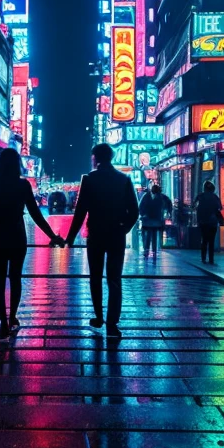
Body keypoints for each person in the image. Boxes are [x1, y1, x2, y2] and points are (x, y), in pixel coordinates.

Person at [0, 147, 63, 342]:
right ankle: (12, 316)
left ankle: (2, 322)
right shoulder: (23, 186)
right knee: (15, 277)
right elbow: (36, 214)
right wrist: (52, 236)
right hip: (16, 235)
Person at [66, 143, 140, 339]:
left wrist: (70, 238)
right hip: (116, 234)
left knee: (95, 277)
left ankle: (98, 316)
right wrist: (124, 228)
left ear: (95, 158)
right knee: (115, 279)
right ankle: (112, 322)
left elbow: (81, 211)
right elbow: (134, 211)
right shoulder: (124, 179)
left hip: (96, 234)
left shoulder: (89, 179)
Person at [194, 180, 223, 265]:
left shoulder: (200, 196)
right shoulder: (215, 197)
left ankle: (203, 258)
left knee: (204, 240)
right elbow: (220, 207)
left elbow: (193, 205)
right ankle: (211, 259)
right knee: (211, 241)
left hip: (202, 221)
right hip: (212, 222)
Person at [139, 183, 164, 258]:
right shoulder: (160, 197)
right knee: (151, 235)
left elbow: (141, 206)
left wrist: (142, 214)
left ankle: (150, 250)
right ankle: (151, 250)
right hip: (152, 219)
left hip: (151, 220)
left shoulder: (147, 196)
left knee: (150, 235)